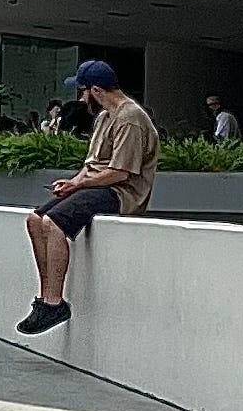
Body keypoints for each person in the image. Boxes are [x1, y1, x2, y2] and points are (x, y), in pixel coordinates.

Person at [18, 59, 158, 334]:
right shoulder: (105, 117)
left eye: (82, 91)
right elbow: (91, 164)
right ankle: (45, 298)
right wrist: (74, 183)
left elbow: (120, 173)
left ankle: (54, 302)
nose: (81, 99)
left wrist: (80, 185)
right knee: (35, 219)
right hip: (98, 184)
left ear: (95, 90)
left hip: (122, 192)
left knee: (53, 223)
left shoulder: (130, 118)